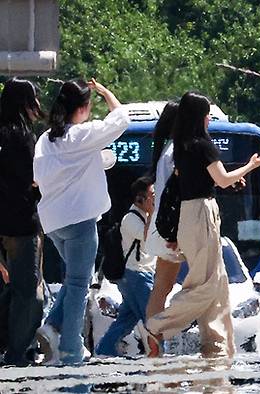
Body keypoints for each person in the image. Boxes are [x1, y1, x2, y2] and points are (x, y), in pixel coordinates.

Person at [141, 92, 260, 359]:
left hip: (188, 214)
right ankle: (157, 325)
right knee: (205, 284)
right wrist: (250, 166)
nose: (210, 117)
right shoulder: (202, 145)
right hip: (201, 213)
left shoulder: (182, 146)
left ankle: (218, 344)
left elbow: (195, 183)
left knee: (218, 283)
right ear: (200, 116)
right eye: (207, 113)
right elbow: (221, 180)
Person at [33, 79, 128, 365]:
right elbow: (121, 118)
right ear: (84, 108)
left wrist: (99, 159)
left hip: (54, 223)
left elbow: (61, 169)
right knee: (78, 284)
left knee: (74, 278)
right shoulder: (83, 134)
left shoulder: (46, 139)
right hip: (80, 221)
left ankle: (51, 328)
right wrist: (106, 92)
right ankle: (71, 348)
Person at [0, 77, 44, 366]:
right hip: (21, 226)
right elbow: (30, 181)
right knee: (30, 295)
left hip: (2, 225)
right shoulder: (21, 136)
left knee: (9, 291)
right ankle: (17, 353)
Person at [96, 177, 156, 356]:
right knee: (153, 320)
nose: (155, 199)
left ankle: (104, 352)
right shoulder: (130, 219)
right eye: (152, 195)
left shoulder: (146, 217)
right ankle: (158, 357)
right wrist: (153, 213)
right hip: (136, 275)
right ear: (140, 199)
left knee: (126, 320)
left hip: (142, 274)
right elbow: (148, 237)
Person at [142, 102, 185, 321]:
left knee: (161, 288)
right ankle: (156, 336)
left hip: (164, 226)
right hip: (174, 230)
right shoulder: (176, 150)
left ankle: (153, 339)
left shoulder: (164, 150)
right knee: (199, 284)